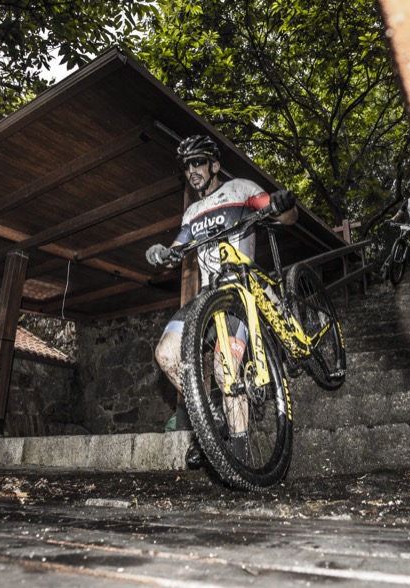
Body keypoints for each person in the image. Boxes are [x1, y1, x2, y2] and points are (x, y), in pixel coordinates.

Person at [145, 135, 298, 468]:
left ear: (214, 165)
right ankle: (211, 420)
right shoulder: (192, 212)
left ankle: (240, 459)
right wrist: (161, 253)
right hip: (207, 294)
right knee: (166, 353)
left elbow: (284, 217)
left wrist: (284, 205)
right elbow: (176, 252)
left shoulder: (240, 189)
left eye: (198, 162)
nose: (191, 170)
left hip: (236, 291)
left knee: (225, 369)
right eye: (186, 166)